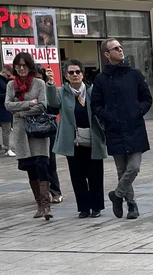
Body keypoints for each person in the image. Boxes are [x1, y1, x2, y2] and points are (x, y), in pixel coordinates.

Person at [92, 38, 152, 220]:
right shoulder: (101, 79)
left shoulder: (134, 74)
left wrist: (138, 111)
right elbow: (95, 105)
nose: (120, 50)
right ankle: (132, 205)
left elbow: (147, 98)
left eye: (120, 47)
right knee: (121, 169)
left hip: (134, 128)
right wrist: (107, 116)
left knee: (133, 167)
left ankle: (117, 195)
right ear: (107, 54)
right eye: (115, 48)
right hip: (114, 130)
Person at [54, 59, 107, 219]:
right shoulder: (61, 92)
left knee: (95, 175)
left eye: (78, 72)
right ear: (66, 76)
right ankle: (83, 208)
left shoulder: (92, 91)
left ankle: (96, 207)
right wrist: (50, 84)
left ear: (83, 74)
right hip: (74, 141)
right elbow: (51, 104)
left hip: (92, 140)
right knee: (77, 176)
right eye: (71, 72)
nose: (75, 75)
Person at [6, 52, 53, 220]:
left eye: (24, 65)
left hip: (38, 129)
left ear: (30, 66)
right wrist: (27, 104)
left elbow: (42, 106)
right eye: (18, 65)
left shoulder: (39, 83)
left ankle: (47, 205)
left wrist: (22, 112)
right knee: (31, 167)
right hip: (21, 132)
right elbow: (8, 105)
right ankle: (39, 204)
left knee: (42, 164)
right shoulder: (11, 85)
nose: (21, 68)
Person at [39, 66, 64, 204]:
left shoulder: (48, 90)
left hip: (48, 129)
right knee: (38, 164)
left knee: (50, 162)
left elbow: (54, 109)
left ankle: (55, 191)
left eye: (39, 77)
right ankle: (42, 192)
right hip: (33, 130)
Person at [0, 66, 15, 157]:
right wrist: (9, 95)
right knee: (6, 129)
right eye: (8, 75)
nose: (9, 77)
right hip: (2, 108)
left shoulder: (6, 80)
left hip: (8, 107)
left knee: (9, 128)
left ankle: (8, 148)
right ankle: (7, 148)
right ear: (4, 72)